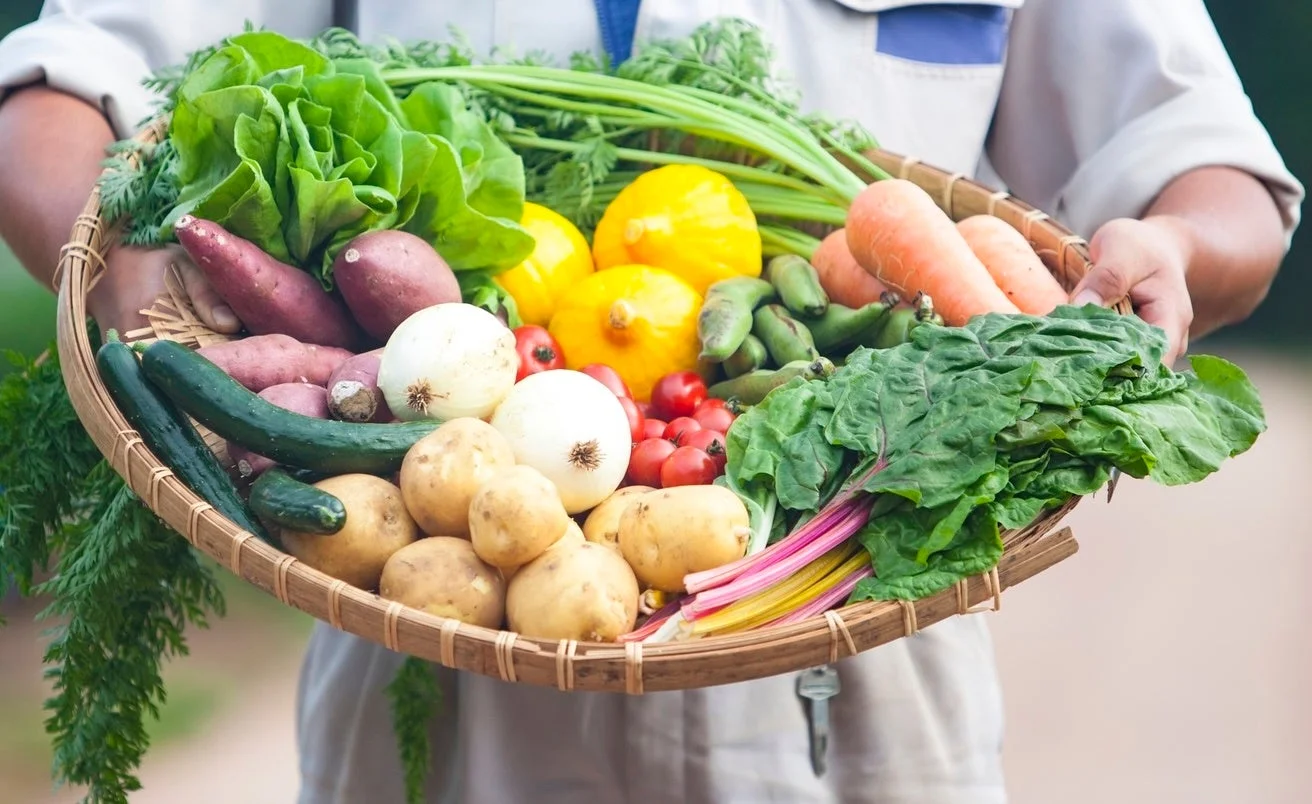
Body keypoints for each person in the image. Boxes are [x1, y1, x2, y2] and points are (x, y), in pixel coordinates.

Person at [0, 2, 1300, 802]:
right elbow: (58, 90)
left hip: (853, 689)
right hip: (444, 644)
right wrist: (128, 266)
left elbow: (1213, 170)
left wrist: (1175, 251)